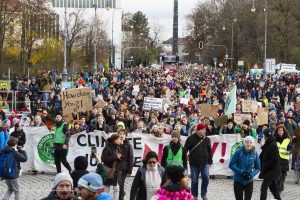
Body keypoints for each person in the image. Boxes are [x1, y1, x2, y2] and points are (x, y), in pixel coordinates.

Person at [184, 123, 213, 200]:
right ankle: (194, 195)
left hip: (205, 163)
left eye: (204, 129)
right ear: (198, 130)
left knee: (206, 178)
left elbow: (209, 151)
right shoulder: (190, 138)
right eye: (202, 129)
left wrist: (210, 161)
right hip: (194, 163)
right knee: (194, 180)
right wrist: (184, 160)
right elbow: (185, 150)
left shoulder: (207, 139)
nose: (204, 131)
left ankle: (203, 194)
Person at [229, 136, 261, 200]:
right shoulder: (239, 152)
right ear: (244, 143)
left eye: (250, 142)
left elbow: (258, 168)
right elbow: (231, 165)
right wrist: (242, 172)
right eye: (247, 142)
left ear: (253, 143)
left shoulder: (255, 153)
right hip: (238, 180)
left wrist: (251, 175)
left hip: (249, 181)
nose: (248, 144)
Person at [259, 129, 281, 200]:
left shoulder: (272, 144)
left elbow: (275, 159)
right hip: (270, 169)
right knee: (273, 188)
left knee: (263, 188)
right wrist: (262, 146)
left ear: (265, 136)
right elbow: (267, 151)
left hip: (272, 170)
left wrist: (266, 164)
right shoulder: (270, 142)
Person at [101, 134, 122, 200]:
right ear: (115, 140)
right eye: (119, 139)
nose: (120, 140)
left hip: (115, 170)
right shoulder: (107, 147)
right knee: (107, 187)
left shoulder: (117, 147)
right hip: (108, 170)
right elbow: (103, 159)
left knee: (116, 188)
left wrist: (119, 158)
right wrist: (115, 157)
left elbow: (116, 157)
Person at [274, 126, 292, 193]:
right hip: (277, 159)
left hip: (284, 159)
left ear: (284, 131)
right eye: (279, 130)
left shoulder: (287, 139)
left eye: (281, 130)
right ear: (277, 131)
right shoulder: (274, 139)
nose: (280, 131)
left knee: (283, 175)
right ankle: (278, 188)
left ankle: (280, 188)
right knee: (278, 174)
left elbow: (290, 147)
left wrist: (289, 151)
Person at [117, 129, 134, 200]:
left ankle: (121, 197)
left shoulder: (128, 145)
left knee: (121, 183)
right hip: (117, 167)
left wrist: (130, 170)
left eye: (123, 134)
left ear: (126, 136)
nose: (121, 135)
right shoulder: (116, 144)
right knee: (118, 182)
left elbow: (131, 158)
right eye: (120, 134)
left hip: (124, 168)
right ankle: (122, 192)